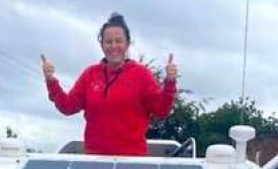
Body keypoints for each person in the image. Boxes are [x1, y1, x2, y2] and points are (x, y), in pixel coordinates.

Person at [43, 12, 178, 156]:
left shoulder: (142, 75)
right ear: (102, 45)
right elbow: (67, 106)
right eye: (108, 41)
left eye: (119, 41)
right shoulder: (90, 75)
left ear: (127, 43)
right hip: (94, 161)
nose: (114, 46)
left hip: (133, 161)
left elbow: (162, 110)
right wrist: (51, 81)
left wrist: (170, 82)